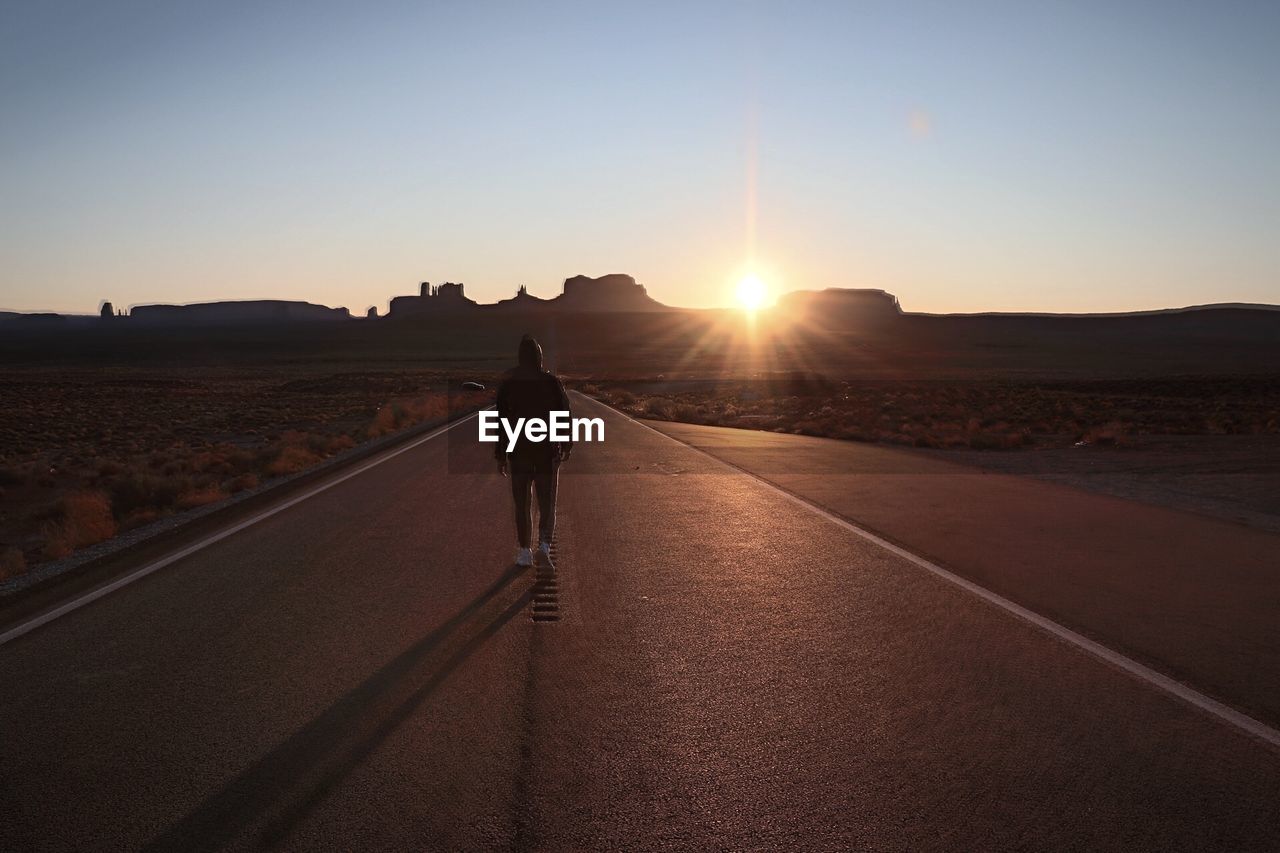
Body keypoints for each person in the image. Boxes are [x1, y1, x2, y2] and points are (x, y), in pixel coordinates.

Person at [495, 334, 571, 567]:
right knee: (546, 501)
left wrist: (500, 454)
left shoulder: (509, 384)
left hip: (519, 452)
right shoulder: (551, 382)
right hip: (546, 451)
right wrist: (566, 443)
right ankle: (544, 547)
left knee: (522, 502)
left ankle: (525, 551)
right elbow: (564, 414)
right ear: (539, 357)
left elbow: (501, 421)